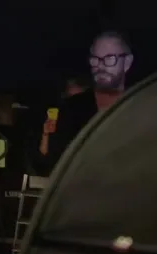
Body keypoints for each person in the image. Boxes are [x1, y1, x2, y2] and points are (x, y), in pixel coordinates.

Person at [35, 31, 133, 175]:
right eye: (96, 59)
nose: (101, 66)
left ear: (127, 62)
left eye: (110, 59)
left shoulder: (142, 108)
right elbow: (49, 165)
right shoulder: (71, 110)